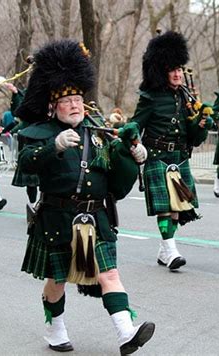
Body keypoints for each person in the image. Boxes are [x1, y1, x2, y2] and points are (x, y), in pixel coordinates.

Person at [15, 39, 155, 354]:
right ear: (54, 105)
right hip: (57, 217)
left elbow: (116, 180)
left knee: (109, 274)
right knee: (57, 279)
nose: (75, 104)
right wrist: (55, 146)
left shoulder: (99, 130)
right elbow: (25, 163)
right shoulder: (41, 133)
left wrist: (133, 154)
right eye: (67, 100)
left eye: (78, 98)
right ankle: (55, 327)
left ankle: (126, 333)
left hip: (96, 216)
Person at [130, 31, 210, 270]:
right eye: (172, 70)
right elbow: (136, 124)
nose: (178, 74)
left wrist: (202, 124)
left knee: (176, 209)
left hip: (179, 158)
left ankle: (166, 249)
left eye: (179, 69)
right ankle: (171, 249)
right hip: (157, 156)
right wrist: (133, 140)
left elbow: (194, 138)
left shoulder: (186, 98)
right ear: (161, 71)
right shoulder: (150, 97)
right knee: (165, 208)